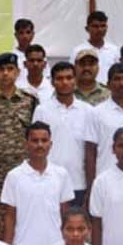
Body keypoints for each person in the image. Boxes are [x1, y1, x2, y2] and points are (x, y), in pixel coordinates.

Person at [1, 122, 73, 245]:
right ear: (26, 144)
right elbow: (10, 217)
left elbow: (65, 214)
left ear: (50, 144)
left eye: (44, 140)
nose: (40, 145)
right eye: (35, 140)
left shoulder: (61, 174)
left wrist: (67, 244)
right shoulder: (14, 176)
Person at [0, 52, 37, 207]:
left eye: (10, 69)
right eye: (1, 70)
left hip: (25, 169)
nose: (5, 73)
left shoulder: (29, 101)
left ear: (17, 72)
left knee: (26, 210)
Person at [32, 62, 93, 206]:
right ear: (52, 82)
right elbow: (35, 147)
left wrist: (90, 185)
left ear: (75, 80)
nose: (65, 82)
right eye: (59, 78)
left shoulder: (88, 111)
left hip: (79, 182)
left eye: (69, 78)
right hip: (49, 181)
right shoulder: (42, 110)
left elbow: (91, 150)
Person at [69, 11, 120, 84]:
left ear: (107, 28)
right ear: (87, 28)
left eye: (103, 26)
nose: (99, 29)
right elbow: (72, 74)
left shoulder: (114, 50)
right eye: (95, 26)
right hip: (86, 89)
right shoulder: (78, 51)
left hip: (110, 90)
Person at [11, 18, 49, 86]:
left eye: (28, 32)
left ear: (33, 34)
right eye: (21, 33)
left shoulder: (40, 55)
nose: (25, 36)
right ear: (16, 35)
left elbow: (47, 76)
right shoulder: (11, 56)